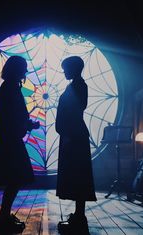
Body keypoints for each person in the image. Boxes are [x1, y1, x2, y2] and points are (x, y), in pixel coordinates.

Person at [0, 56, 40, 234]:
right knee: (16, 177)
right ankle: (4, 217)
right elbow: (13, 115)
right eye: (24, 68)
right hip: (11, 139)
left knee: (14, 178)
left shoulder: (8, 86)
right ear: (16, 69)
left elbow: (10, 115)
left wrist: (25, 124)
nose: (26, 72)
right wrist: (28, 124)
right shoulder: (11, 87)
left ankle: (4, 215)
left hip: (8, 138)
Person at [55, 56, 97, 234]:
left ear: (73, 69)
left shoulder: (76, 86)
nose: (64, 72)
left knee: (76, 175)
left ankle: (79, 218)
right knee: (79, 175)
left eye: (65, 69)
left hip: (72, 137)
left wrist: (67, 135)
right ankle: (79, 216)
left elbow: (70, 112)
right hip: (74, 135)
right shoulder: (78, 85)